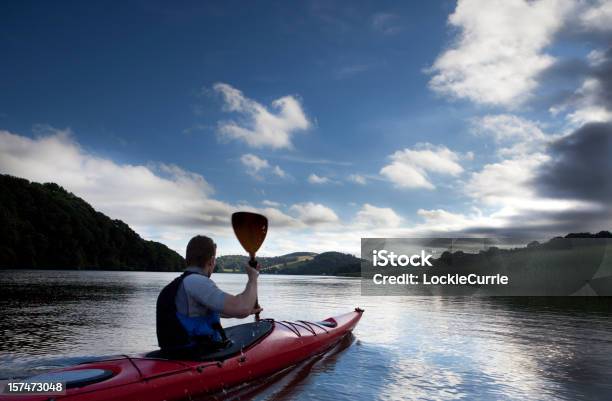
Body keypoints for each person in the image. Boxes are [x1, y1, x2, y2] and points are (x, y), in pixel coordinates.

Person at [156, 235, 262, 356]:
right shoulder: (196, 282)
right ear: (211, 260)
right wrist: (253, 278)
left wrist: (249, 309)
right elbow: (242, 308)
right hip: (193, 355)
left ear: (187, 259)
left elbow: (216, 311)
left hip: (176, 353)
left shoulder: (180, 284)